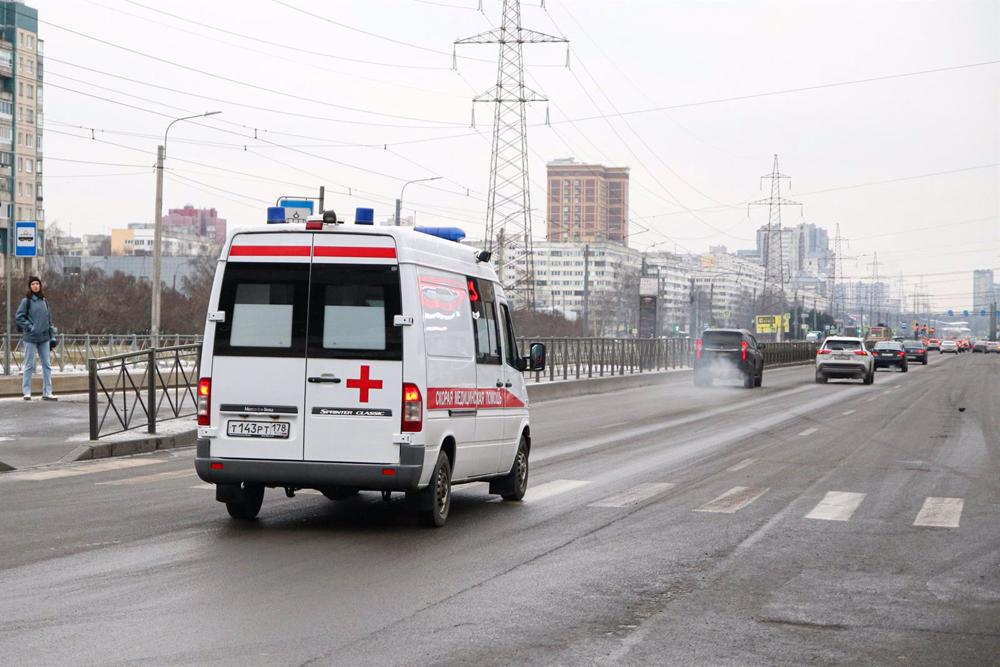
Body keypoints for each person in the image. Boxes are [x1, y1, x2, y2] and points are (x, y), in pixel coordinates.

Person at [15, 276, 57, 401]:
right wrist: (30, 327)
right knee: (29, 366)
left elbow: (49, 321)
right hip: (30, 338)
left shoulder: (44, 301)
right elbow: (19, 317)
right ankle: (26, 392)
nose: (35, 286)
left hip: (44, 338)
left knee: (47, 365)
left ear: (40, 286)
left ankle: (47, 392)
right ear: (30, 286)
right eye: (33, 284)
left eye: (37, 284)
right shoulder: (26, 301)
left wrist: (52, 337)